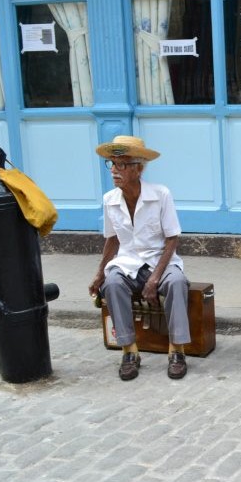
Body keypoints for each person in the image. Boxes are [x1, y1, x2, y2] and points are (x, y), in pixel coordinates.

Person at [88, 135, 190, 381]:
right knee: (111, 284)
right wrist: (100, 273)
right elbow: (112, 240)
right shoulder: (109, 200)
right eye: (111, 164)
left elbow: (172, 239)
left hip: (160, 261)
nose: (114, 170)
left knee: (177, 282)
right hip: (127, 262)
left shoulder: (160, 194)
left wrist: (155, 279)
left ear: (138, 168)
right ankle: (129, 351)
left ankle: (177, 350)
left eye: (121, 165)